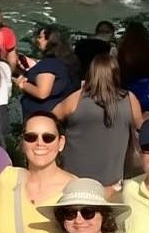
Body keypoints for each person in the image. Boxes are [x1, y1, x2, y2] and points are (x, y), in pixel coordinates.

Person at [54, 54, 143, 190]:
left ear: (91, 73)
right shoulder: (129, 99)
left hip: (73, 178)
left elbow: (49, 118)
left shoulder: (76, 99)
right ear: (116, 74)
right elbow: (141, 128)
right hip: (112, 181)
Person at [17, 26, 78, 117]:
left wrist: (22, 84)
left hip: (41, 116)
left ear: (50, 40)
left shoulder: (50, 64)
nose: (38, 40)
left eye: (41, 37)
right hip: (57, 112)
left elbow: (42, 93)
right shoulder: (67, 61)